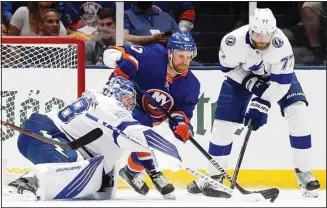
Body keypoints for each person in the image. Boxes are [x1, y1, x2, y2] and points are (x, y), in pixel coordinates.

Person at [186, 8, 321, 198]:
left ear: (273, 31)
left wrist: (262, 103)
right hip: (241, 76)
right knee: (222, 124)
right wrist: (250, 82)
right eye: (258, 35)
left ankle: (305, 173)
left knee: (298, 112)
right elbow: (228, 68)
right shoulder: (232, 41)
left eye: (267, 36)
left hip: (276, 79)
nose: (262, 40)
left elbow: (281, 84)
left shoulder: (281, 45)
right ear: (250, 30)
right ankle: (214, 176)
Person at [3, 76, 182, 201]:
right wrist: (170, 152)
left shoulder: (99, 101)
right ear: (116, 94)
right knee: (71, 164)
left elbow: (135, 140)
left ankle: (34, 178)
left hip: (52, 136)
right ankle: (28, 180)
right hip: (45, 135)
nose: (130, 104)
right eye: (127, 98)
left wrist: (152, 169)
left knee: (102, 187)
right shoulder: (111, 106)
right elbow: (136, 134)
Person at [103, 32, 201, 199]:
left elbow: (182, 111)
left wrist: (182, 123)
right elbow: (110, 53)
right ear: (170, 53)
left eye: (188, 56)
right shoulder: (153, 55)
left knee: (144, 141)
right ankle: (154, 171)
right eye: (180, 56)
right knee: (143, 137)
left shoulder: (192, 84)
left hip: (150, 117)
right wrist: (122, 60)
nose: (185, 61)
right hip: (127, 102)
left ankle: (130, 173)